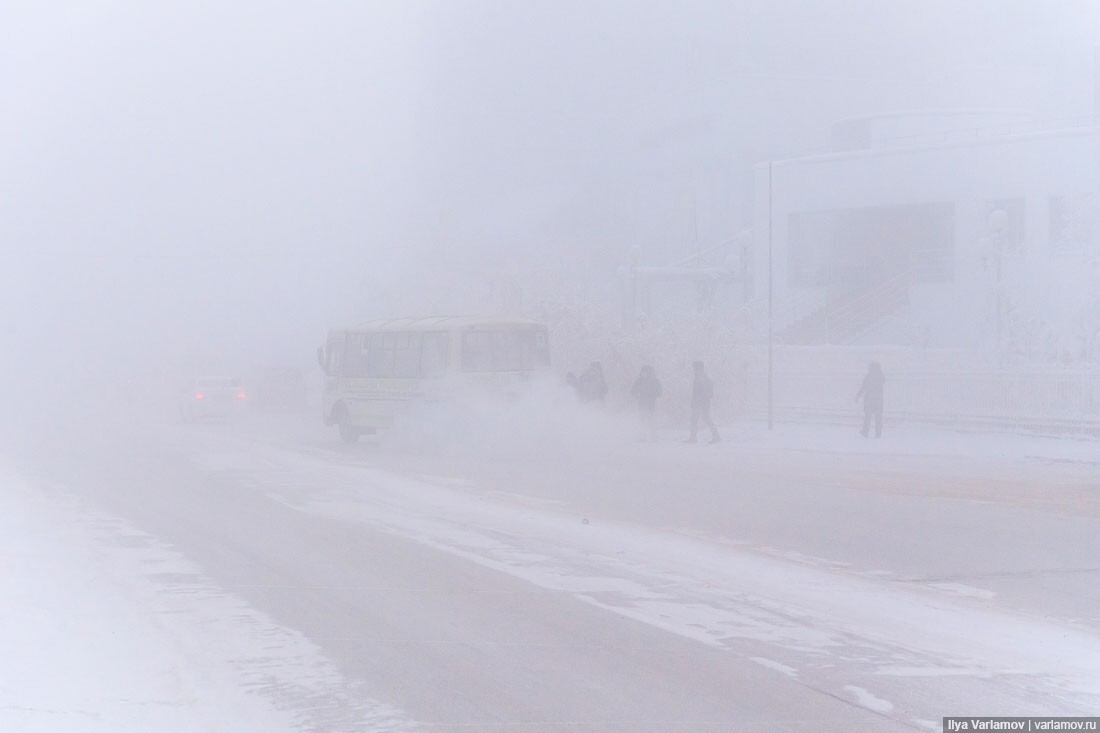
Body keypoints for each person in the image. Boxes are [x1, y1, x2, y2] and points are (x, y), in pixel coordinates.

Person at [687, 360, 720, 443]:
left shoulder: (703, 378)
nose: (694, 369)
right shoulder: (699, 377)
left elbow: (708, 393)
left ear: (699, 368)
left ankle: (716, 436)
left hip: (701, 403)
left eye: (695, 367)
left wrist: (700, 400)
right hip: (700, 403)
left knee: (704, 419)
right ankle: (693, 437)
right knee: (698, 419)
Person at [630, 365, 662, 440]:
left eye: (645, 372)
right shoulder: (639, 380)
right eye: (642, 372)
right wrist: (637, 395)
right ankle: (642, 435)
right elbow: (632, 390)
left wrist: (653, 396)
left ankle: (653, 435)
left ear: (649, 372)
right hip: (641, 403)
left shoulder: (654, 380)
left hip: (651, 403)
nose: (643, 374)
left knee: (650, 419)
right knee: (642, 419)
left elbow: (659, 391)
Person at [855, 361, 885, 438]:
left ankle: (865, 432)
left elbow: (864, 387)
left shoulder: (869, 376)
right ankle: (878, 433)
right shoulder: (881, 376)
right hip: (879, 400)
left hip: (870, 399)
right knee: (878, 417)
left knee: (867, 417)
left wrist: (858, 396)